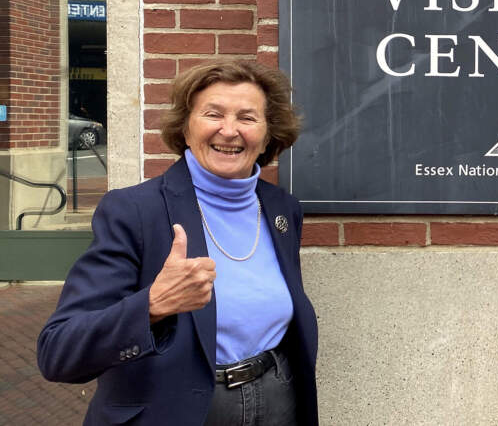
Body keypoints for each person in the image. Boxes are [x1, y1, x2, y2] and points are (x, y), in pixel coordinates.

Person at [38, 61, 319, 425]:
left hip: (277, 401)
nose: (229, 130)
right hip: (177, 410)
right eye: (213, 114)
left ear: (268, 136)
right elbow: (58, 352)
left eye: (248, 118)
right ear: (186, 128)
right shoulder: (134, 211)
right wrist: (152, 306)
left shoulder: (282, 209)